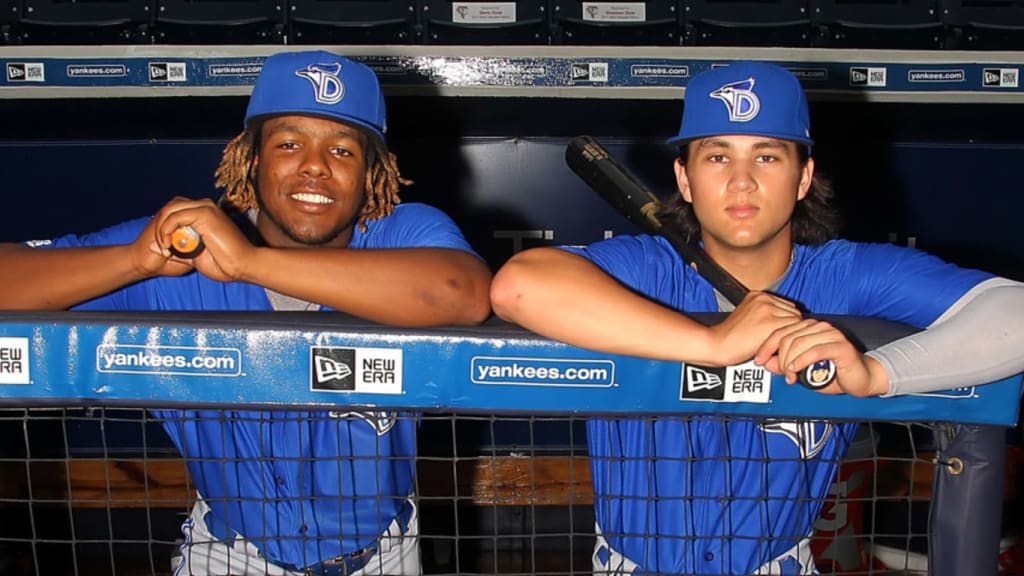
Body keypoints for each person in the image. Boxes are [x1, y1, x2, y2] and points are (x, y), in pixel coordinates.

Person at [491, 61, 1024, 574]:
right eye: (717, 158)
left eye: (766, 157)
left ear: (803, 176)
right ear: (684, 177)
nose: (741, 182)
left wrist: (877, 373)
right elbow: (517, 286)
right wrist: (714, 344)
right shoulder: (644, 269)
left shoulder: (849, 275)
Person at [0, 50, 492, 575]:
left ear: (372, 172)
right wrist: (132, 261)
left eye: (343, 150)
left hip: (383, 554)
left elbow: (462, 292)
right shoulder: (180, 251)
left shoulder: (402, 233)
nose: (315, 167)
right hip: (230, 555)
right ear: (251, 159)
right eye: (288, 143)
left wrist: (251, 264)